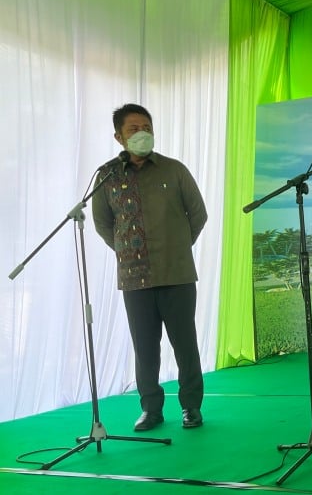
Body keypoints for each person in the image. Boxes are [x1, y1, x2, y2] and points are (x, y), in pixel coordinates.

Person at [92, 103, 208, 432]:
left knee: (184, 343)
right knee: (144, 347)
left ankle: (191, 407)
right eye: (133, 129)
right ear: (118, 136)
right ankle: (151, 409)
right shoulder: (107, 176)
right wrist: (128, 251)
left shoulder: (174, 170)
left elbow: (198, 214)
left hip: (177, 274)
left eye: (147, 127)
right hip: (134, 278)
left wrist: (178, 247)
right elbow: (103, 224)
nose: (142, 133)